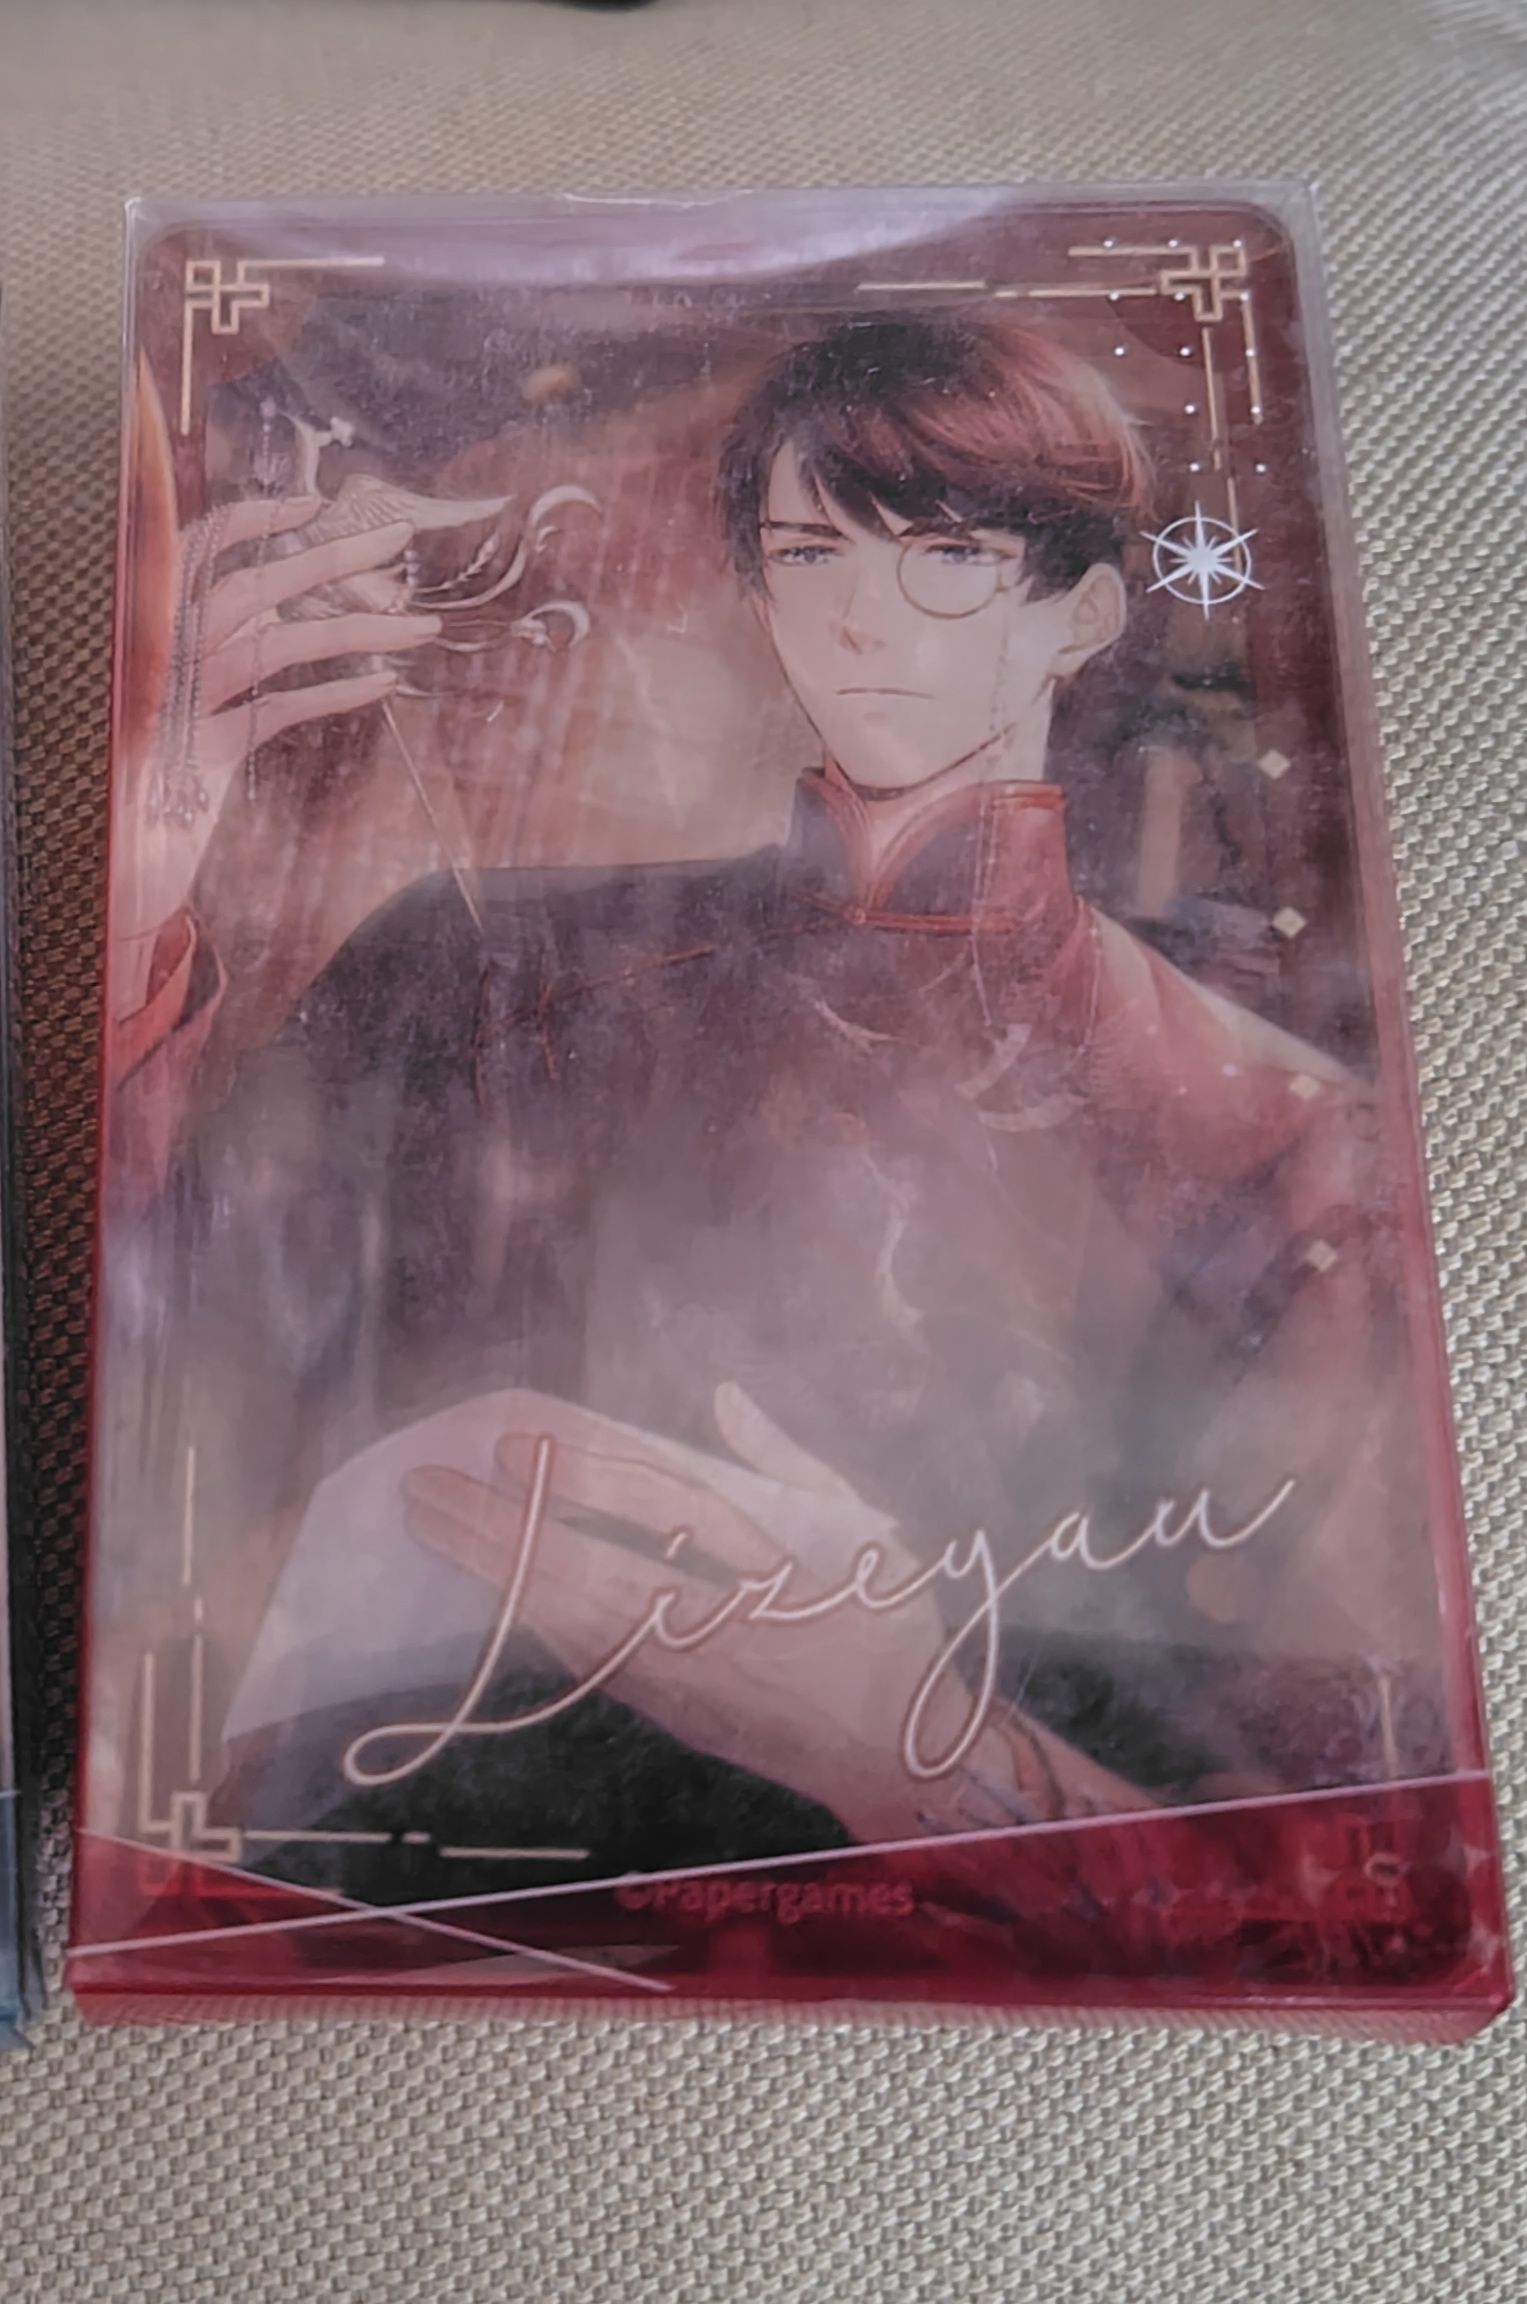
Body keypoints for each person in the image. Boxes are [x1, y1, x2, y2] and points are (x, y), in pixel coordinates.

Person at [101, 317, 1435, 1911]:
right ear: (761, 593)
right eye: (812, 554)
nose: (865, 614)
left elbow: (1348, 1888)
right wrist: (139, 902)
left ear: (1080, 614)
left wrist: (914, 1737)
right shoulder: (469, 958)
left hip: (905, 1966)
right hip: (375, 1877)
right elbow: (168, 1359)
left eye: (947, 556)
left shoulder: (1279, 1138)